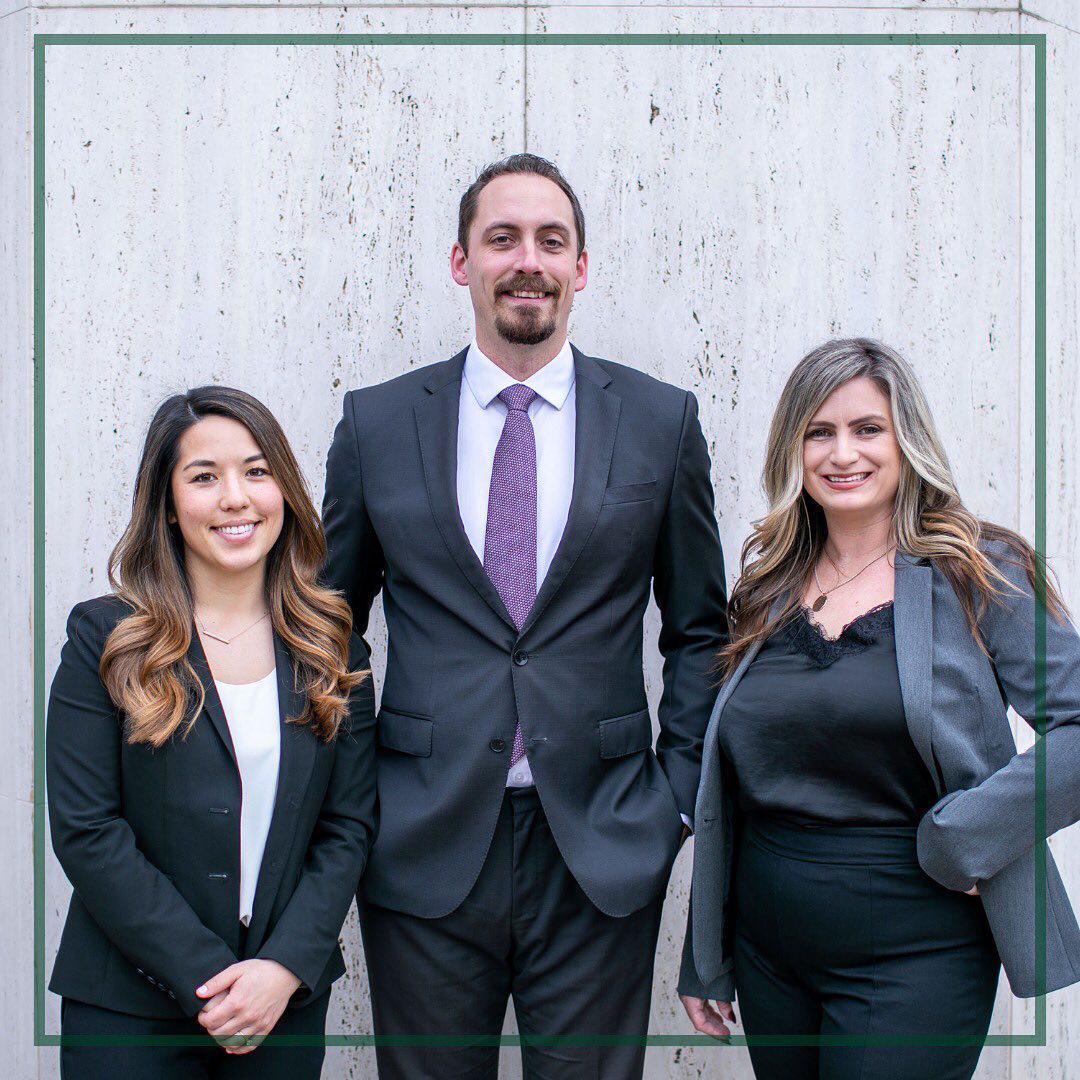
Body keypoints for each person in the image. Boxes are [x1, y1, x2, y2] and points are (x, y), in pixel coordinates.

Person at [322, 153, 728, 1078]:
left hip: (601, 839)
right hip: (421, 836)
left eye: (551, 241)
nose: (528, 261)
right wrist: (361, 792)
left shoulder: (660, 421)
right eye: (502, 238)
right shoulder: (379, 423)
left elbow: (701, 628)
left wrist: (672, 798)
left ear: (580, 266)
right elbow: (326, 624)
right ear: (461, 260)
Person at [678, 338, 1080, 1079]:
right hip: (769, 952)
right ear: (793, 447)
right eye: (819, 432)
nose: (842, 454)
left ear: (907, 441)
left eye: (868, 429)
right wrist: (707, 951)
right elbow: (729, 782)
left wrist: (969, 836)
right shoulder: (768, 584)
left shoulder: (979, 572)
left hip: (916, 948)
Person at [48, 386, 377, 1078]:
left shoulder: (334, 649)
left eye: (257, 472)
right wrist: (210, 979)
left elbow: (348, 828)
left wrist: (283, 968)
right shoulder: (104, 639)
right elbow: (87, 830)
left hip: (281, 1008)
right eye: (204, 477)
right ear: (168, 504)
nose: (236, 498)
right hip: (128, 1008)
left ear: (283, 491)